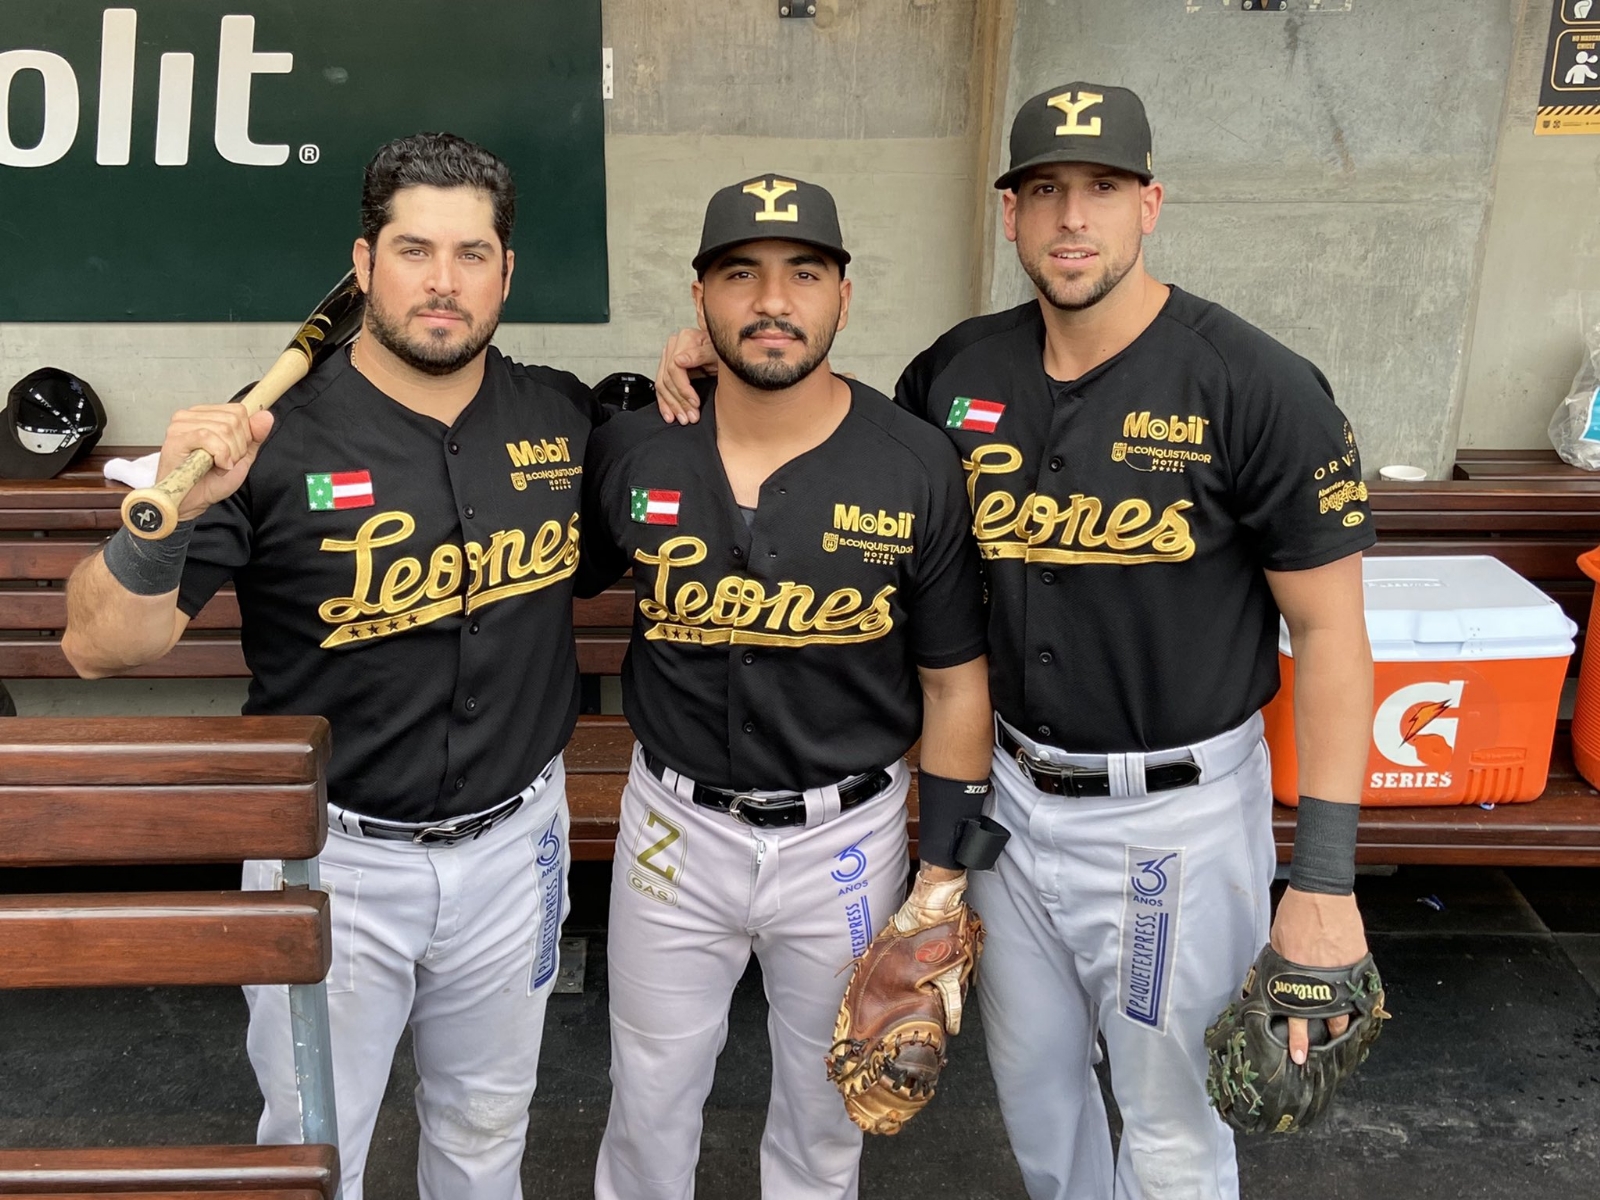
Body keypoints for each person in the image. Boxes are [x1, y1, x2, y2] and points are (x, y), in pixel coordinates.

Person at [653, 84, 1377, 1200]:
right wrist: (723, 365)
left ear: (1150, 204)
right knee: (1036, 1101)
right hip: (1007, 807)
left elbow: (1331, 637)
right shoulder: (958, 374)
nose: (1072, 218)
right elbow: (848, 448)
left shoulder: (1254, 386)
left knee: (1173, 1121)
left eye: (1101, 188)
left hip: (1171, 815)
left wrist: (1323, 882)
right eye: (1045, 191)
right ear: (1010, 216)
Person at [62, 132, 596, 1200]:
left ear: (506, 274)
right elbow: (97, 646)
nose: (442, 282)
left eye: (471, 254)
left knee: (487, 1139)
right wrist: (167, 519)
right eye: (412, 250)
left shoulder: (561, 416)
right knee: (312, 1153)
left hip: (513, 848)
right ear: (361, 267)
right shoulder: (271, 436)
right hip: (334, 859)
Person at [580, 174, 995, 1200]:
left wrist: (941, 877)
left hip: (843, 837)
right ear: (701, 300)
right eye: (741, 275)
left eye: (802, 273)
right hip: (674, 827)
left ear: (842, 299)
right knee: (649, 1098)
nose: (772, 301)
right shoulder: (636, 448)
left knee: (827, 1114)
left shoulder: (913, 462)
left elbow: (953, 685)